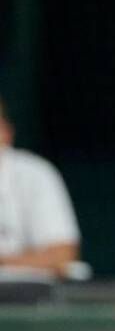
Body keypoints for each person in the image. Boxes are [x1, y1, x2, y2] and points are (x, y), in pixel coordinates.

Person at [0, 96, 81, 276]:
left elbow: (62, 256)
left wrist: (5, 262)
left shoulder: (35, 174)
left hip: (27, 300)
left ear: (6, 132)